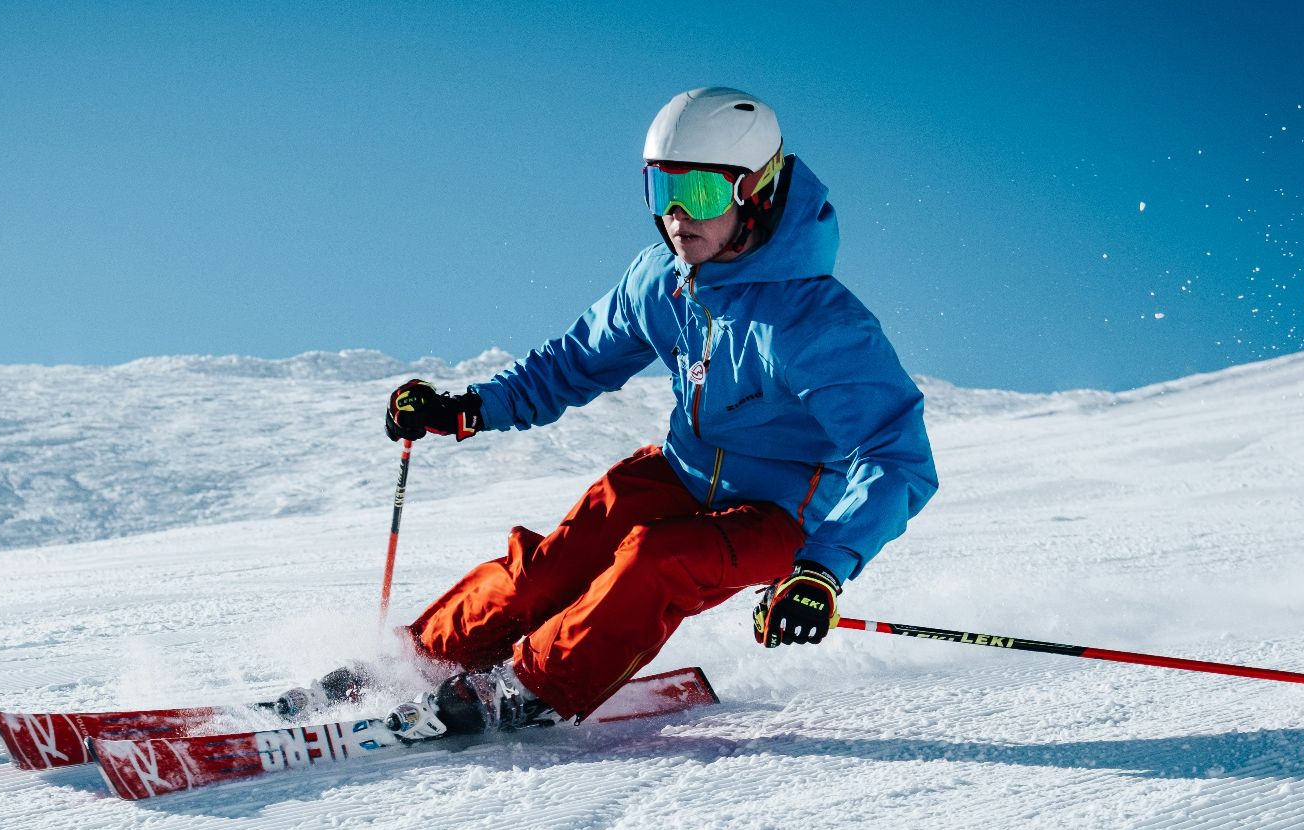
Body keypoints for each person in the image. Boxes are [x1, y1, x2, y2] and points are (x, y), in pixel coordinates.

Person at [380, 86, 937, 740]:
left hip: (782, 514)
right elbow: (574, 362)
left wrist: (822, 569)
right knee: (550, 570)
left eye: (698, 192)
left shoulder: (816, 325)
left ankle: (530, 689)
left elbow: (896, 458)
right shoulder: (660, 280)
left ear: (754, 191)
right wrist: (468, 407)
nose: (676, 215)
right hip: (680, 471)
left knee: (657, 558)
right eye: (662, 189)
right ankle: (415, 662)